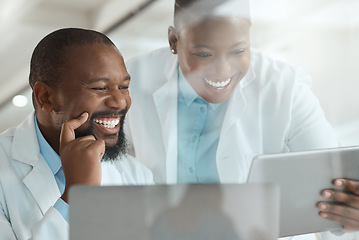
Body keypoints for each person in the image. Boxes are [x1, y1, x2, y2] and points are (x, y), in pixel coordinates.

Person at [125, 0, 359, 236]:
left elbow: (335, 186)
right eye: (203, 53)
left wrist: (349, 215)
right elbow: (109, 176)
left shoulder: (286, 89)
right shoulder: (129, 82)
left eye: (238, 50)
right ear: (173, 41)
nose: (222, 71)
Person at [0, 28, 153, 240]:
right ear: (46, 97)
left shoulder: (135, 175)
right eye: (100, 88)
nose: (119, 102)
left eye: (124, 87)